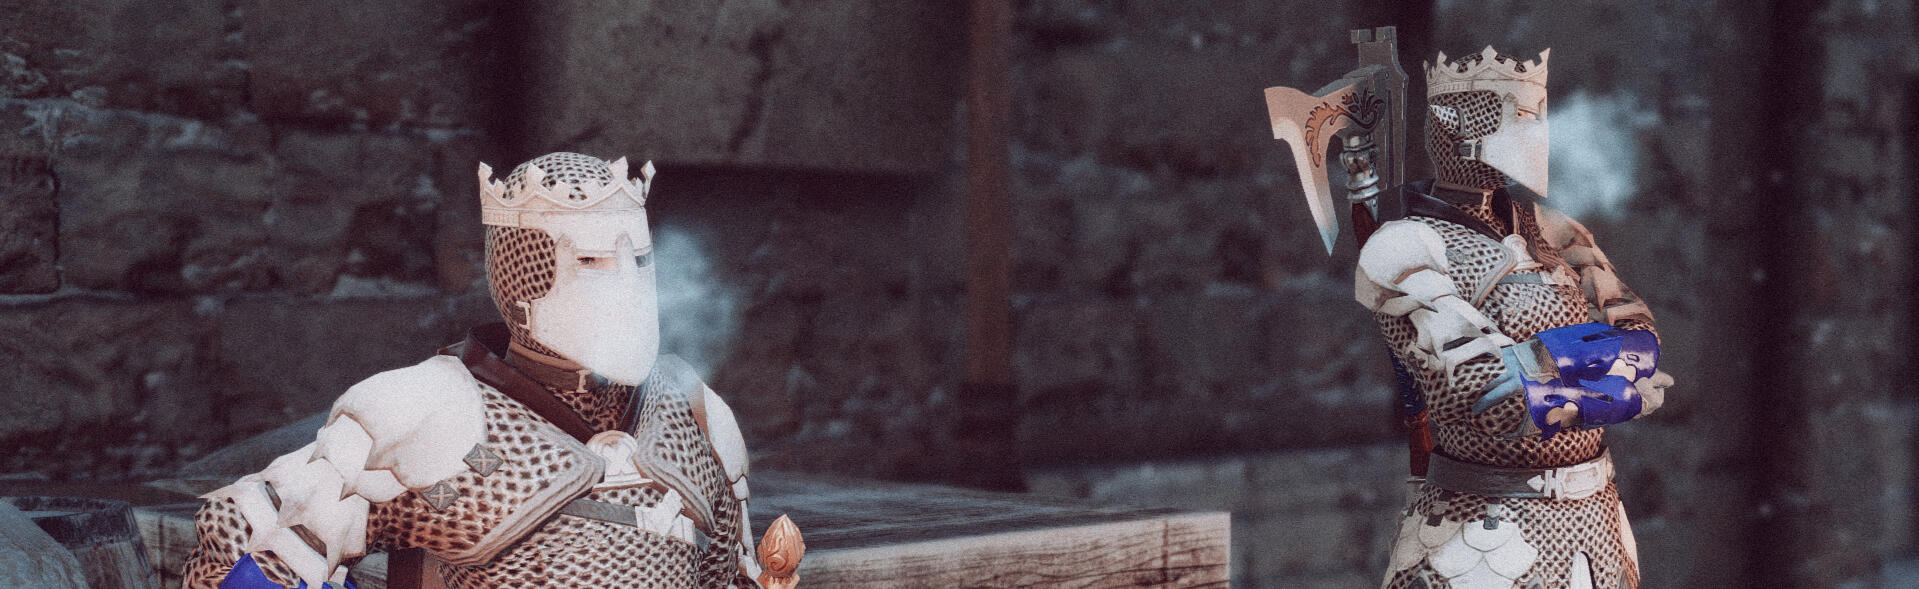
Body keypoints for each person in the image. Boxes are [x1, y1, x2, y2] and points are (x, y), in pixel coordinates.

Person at [182, 152, 800, 588]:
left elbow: (729, 578)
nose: (627, 290)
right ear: (522, 277)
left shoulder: (692, 414)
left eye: (639, 261)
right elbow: (246, 530)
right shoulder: (428, 412)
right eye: (592, 261)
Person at [1361, 48, 1673, 589]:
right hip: (1479, 534)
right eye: (1521, 118)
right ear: (1455, 128)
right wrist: (1620, 393)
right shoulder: (1403, 248)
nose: (1537, 135)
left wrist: (1540, 358)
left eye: (1537, 117)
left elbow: (1643, 344)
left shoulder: (1555, 231)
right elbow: (1491, 402)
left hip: (1597, 526)